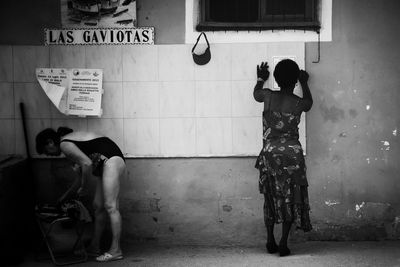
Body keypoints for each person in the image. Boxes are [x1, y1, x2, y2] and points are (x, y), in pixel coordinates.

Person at [36, 127, 125, 262]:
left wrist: (85, 187)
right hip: (103, 162)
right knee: (98, 206)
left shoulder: (64, 144)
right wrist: (64, 197)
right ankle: (94, 247)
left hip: (110, 159)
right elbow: (79, 177)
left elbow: (87, 164)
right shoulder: (71, 146)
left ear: (50, 142)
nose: (48, 155)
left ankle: (116, 250)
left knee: (111, 207)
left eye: (46, 151)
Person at [253, 59, 313, 257]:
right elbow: (309, 103)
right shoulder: (298, 103)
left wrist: (261, 78)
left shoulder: (267, 96)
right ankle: (284, 242)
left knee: (270, 196)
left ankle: (270, 238)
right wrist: (304, 82)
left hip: (270, 153)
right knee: (291, 196)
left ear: (276, 79)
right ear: (295, 80)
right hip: (292, 155)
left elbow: (256, 94)